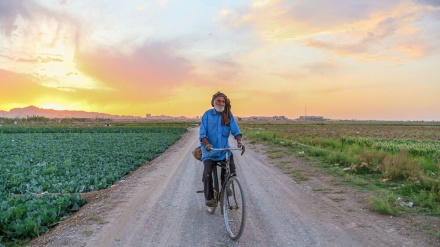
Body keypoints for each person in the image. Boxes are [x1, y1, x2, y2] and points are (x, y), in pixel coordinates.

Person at [199, 91, 243, 207]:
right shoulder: (207, 115)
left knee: (230, 169)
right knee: (207, 173)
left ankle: (226, 186)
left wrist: (239, 141)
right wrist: (207, 144)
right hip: (209, 151)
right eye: (219, 101)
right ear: (213, 102)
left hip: (223, 151)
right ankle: (209, 198)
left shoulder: (228, 115)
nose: (221, 103)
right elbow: (202, 134)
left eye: (223, 101)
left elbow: (236, 130)